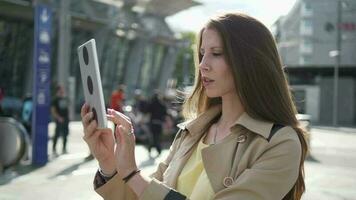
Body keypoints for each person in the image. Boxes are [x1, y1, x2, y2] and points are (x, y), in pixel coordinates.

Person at [81, 13, 308, 200]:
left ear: (250, 61)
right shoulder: (191, 132)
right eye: (201, 54)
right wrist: (109, 162)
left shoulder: (280, 143)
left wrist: (132, 173)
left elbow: (143, 187)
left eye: (216, 54)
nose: (202, 65)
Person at [147, 91, 167, 156]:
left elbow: (147, 111)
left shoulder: (151, 103)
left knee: (152, 137)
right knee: (157, 137)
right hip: (159, 123)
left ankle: (150, 149)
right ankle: (158, 150)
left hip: (152, 122)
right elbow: (165, 113)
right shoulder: (162, 104)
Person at [51, 85, 70, 155]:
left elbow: (67, 108)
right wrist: (58, 118)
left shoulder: (65, 98)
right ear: (57, 91)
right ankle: (54, 149)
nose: (62, 91)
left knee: (65, 134)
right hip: (59, 120)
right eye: (61, 90)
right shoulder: (55, 100)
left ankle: (64, 149)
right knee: (57, 134)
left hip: (66, 120)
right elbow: (53, 111)